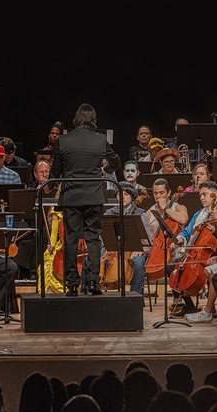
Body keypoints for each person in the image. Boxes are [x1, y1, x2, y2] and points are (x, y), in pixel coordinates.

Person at [51, 103, 121, 296]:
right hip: (94, 195)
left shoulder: (64, 140)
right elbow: (116, 162)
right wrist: (105, 170)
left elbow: (55, 172)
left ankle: (72, 285)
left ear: (76, 119)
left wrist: (49, 185)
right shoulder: (100, 140)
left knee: (71, 240)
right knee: (93, 239)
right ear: (93, 120)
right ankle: (92, 282)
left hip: (71, 196)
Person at [169, 181, 217, 315]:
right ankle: (189, 305)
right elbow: (186, 231)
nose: (201, 198)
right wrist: (180, 239)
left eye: (204, 194)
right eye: (200, 195)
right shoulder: (198, 214)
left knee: (211, 265)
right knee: (172, 265)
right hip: (196, 252)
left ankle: (212, 308)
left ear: (215, 194)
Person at [103, 182, 152, 294]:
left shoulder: (141, 214)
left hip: (133, 251)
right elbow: (102, 236)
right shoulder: (109, 213)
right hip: (112, 250)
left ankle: (136, 295)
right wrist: (107, 246)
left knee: (138, 263)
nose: (122, 197)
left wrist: (141, 250)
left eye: (126, 194)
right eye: (119, 194)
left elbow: (147, 240)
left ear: (132, 196)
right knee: (88, 261)